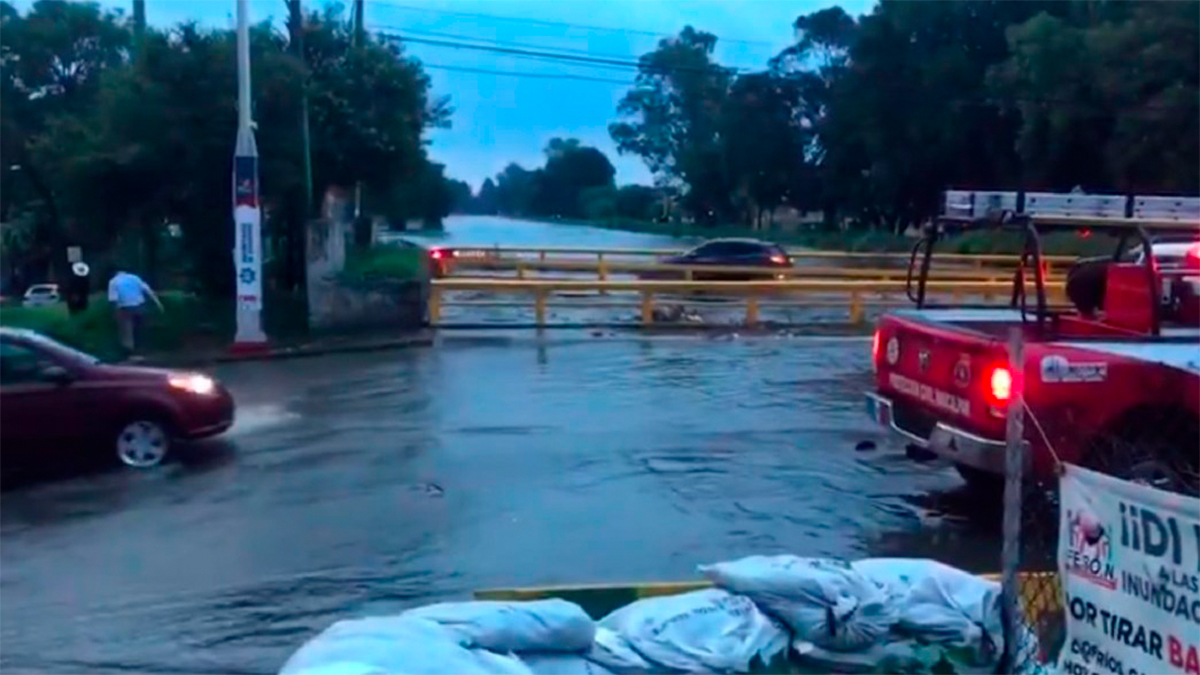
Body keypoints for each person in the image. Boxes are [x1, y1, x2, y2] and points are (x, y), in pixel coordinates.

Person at [107, 269, 163, 357]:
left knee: (127, 331)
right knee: (140, 328)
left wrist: (115, 312)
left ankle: (130, 352)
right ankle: (143, 350)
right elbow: (148, 290)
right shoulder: (134, 278)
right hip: (140, 306)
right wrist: (158, 304)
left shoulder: (113, 281)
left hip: (125, 308)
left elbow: (113, 299)